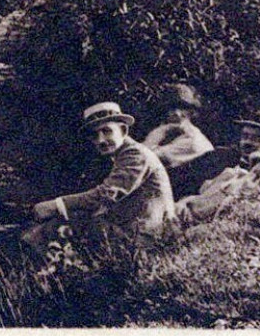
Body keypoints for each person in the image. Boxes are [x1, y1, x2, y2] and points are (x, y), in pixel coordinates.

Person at [27, 101, 175, 246]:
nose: (101, 140)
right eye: (94, 135)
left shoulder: (135, 154)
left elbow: (107, 195)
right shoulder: (122, 155)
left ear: (123, 130)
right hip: (136, 229)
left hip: (145, 235)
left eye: (106, 131)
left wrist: (56, 205)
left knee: (47, 231)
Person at [176, 108, 260, 223]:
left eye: (256, 138)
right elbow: (190, 186)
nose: (247, 142)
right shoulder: (221, 158)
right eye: (245, 136)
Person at [142, 83, 218, 196]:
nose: (176, 113)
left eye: (183, 108)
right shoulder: (172, 135)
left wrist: (158, 132)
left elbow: (141, 159)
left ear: (192, 112)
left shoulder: (192, 140)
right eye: (171, 108)